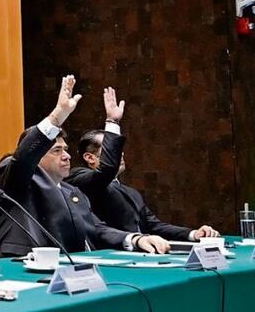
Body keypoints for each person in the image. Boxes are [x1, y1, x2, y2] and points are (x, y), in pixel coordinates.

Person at [0, 76, 170, 257]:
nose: (67, 156)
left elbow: (95, 228)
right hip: (18, 271)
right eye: (57, 151)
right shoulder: (12, 181)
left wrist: (134, 239)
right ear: (36, 157)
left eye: (66, 149)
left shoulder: (71, 191)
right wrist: (57, 116)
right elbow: (22, 159)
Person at [67, 93, 219, 240]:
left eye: (119, 151)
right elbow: (106, 170)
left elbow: (155, 226)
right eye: (110, 151)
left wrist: (193, 234)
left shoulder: (131, 193)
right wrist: (112, 123)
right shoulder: (78, 179)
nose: (120, 155)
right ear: (89, 157)